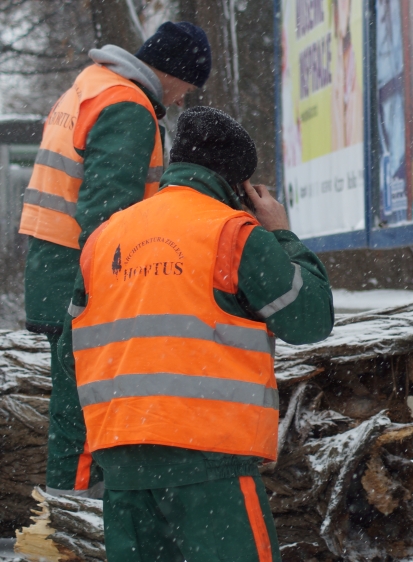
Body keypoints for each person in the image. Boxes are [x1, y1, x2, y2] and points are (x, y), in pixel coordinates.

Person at [55, 106, 334, 561]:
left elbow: (70, 357)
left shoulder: (104, 239)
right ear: (241, 186)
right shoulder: (234, 234)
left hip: (124, 464)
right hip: (210, 462)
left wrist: (78, 465)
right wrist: (283, 234)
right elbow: (310, 319)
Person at [19, 21, 213, 497]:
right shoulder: (127, 106)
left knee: (74, 409)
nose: (185, 98)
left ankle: (67, 519)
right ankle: (72, 527)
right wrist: (119, 287)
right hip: (83, 279)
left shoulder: (89, 86)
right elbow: (108, 216)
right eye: (189, 84)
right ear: (172, 71)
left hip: (54, 270)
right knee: (88, 412)